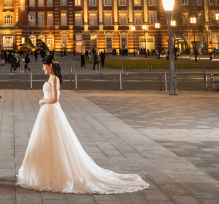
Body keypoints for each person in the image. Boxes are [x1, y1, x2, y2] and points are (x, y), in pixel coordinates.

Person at [16, 56, 148, 193]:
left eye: (44, 65)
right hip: (46, 112)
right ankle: (44, 172)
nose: (43, 67)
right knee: (46, 140)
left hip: (51, 111)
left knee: (55, 140)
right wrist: (43, 99)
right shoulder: (50, 78)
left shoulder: (54, 79)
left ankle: (55, 174)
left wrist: (43, 101)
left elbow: (55, 99)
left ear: (50, 65)